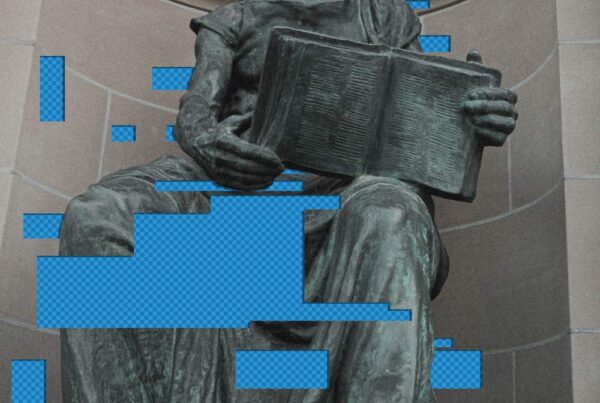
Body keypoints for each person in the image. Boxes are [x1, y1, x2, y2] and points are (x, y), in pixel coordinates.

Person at [59, 1, 518, 401]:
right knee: (98, 216)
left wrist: (467, 120)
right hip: (237, 191)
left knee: (390, 213)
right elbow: (195, 110)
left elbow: (417, 108)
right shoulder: (235, 17)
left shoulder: (386, 14)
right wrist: (208, 144)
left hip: (344, 200)